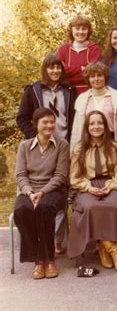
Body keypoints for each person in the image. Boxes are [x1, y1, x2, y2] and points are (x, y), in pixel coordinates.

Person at [16, 54, 77, 255]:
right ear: (45, 70)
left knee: (57, 191)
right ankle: (40, 242)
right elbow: (22, 117)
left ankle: (57, 240)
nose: (55, 71)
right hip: (41, 145)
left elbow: (75, 117)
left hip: (63, 144)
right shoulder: (33, 90)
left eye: (58, 68)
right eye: (51, 68)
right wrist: (37, 136)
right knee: (38, 196)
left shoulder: (69, 90)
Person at [67, 111, 117, 273]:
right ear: (87, 127)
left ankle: (102, 247)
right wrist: (88, 187)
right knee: (91, 207)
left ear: (105, 126)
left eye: (99, 123)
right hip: (87, 186)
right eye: (92, 123)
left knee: (114, 205)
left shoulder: (114, 146)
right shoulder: (80, 148)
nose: (96, 127)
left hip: (110, 184)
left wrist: (112, 185)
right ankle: (113, 250)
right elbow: (75, 177)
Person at [13, 108, 69, 279]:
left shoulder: (62, 144)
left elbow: (60, 175)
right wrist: (30, 193)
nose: (49, 125)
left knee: (44, 209)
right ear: (35, 124)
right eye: (45, 122)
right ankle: (38, 259)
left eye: (52, 122)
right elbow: (20, 175)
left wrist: (42, 192)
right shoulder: (24, 146)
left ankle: (49, 260)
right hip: (29, 189)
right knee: (21, 211)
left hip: (53, 190)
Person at [70, 62, 117, 151]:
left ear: (105, 77)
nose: (96, 79)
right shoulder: (82, 99)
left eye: (100, 75)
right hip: (89, 143)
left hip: (112, 141)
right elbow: (76, 130)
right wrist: (74, 152)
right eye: (92, 76)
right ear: (88, 79)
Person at [55, 15, 101, 94]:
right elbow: (57, 71)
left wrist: (68, 70)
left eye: (84, 29)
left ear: (88, 31)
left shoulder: (94, 49)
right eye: (77, 29)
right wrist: (80, 69)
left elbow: (92, 72)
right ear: (71, 30)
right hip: (66, 92)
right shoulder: (63, 49)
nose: (80, 32)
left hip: (89, 93)